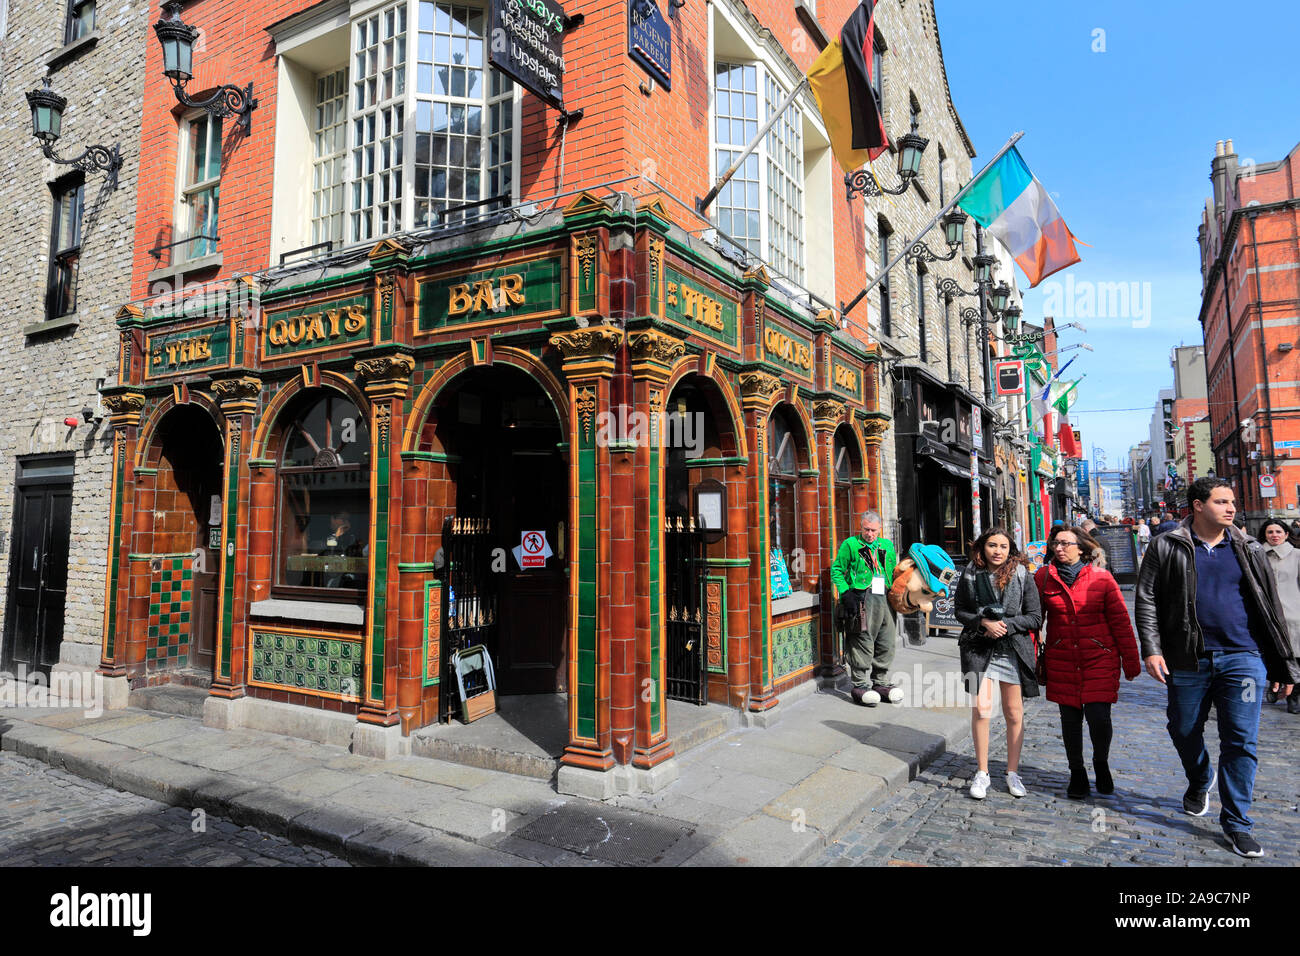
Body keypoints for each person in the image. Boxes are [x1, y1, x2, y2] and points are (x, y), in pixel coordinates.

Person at [1136, 478, 1299, 858]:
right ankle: (1199, 778)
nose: (1231, 508)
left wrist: (1282, 664)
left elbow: (1271, 607)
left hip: (1243, 658)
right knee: (1182, 727)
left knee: (1241, 739)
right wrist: (1151, 649)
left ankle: (1238, 822)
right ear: (1197, 505)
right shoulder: (1167, 545)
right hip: (1187, 658)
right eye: (1221, 501)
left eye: (1232, 502)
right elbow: (1145, 598)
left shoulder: (1248, 547)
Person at [1036, 525, 1140, 798]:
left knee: (1099, 718)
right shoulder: (1044, 577)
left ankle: (1101, 763)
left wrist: (1131, 661)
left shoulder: (1101, 578)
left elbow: (1120, 622)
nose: (1058, 548)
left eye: (1065, 544)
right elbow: (1036, 621)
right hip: (1062, 658)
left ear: (1081, 548)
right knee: (1069, 721)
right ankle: (1077, 773)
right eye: (1055, 543)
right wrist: (1033, 657)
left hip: (1099, 657)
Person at [954, 528, 1042, 800]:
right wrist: (983, 623)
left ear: (1010, 549)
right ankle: (982, 772)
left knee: (1014, 713)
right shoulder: (969, 573)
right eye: (992, 545)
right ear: (983, 547)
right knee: (981, 710)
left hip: (1012, 650)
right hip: (978, 649)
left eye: (1003, 546)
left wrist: (1006, 625)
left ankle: (1012, 772)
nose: (997, 551)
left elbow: (1035, 617)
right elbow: (959, 610)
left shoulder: (1023, 575)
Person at [831, 510, 900, 706]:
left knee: (886, 640)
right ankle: (860, 684)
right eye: (866, 529)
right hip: (862, 599)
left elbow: (893, 571)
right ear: (861, 527)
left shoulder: (887, 545)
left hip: (885, 598)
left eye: (874, 531)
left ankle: (881, 682)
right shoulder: (850, 544)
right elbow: (836, 570)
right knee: (862, 639)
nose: (869, 534)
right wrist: (846, 593)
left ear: (880, 529)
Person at [1259, 519, 1300, 713]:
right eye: (1270, 532)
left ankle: (1294, 696)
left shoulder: (1297, 555)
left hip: (1294, 613)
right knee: (1272, 653)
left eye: (1278, 531)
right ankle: (1274, 683)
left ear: (1286, 534)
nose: (1274, 535)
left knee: (1296, 656)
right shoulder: (1257, 555)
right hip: (1267, 613)